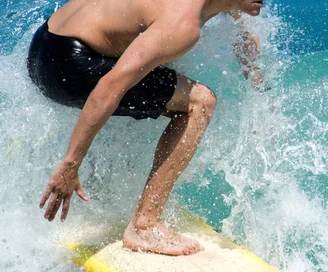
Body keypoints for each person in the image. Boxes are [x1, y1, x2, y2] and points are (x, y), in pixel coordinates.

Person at [27, 0, 265, 256]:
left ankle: (102, 189)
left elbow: (245, 37)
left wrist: (260, 91)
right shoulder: (182, 24)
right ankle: (144, 225)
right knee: (201, 102)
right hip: (68, 69)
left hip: (44, 45)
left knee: (151, 68)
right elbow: (109, 87)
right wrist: (71, 162)